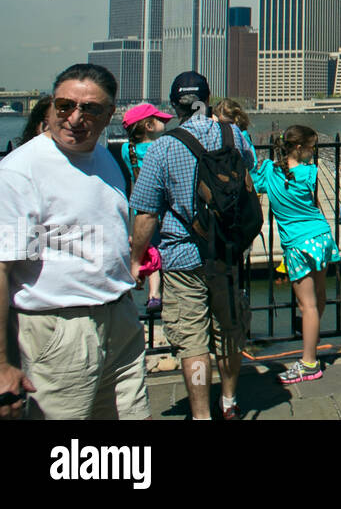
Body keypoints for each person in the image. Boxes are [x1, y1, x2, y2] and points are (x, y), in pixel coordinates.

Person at [0, 64, 149, 420]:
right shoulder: (24, 170)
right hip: (61, 329)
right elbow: (5, 268)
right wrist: (3, 362)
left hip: (120, 319)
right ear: (51, 105)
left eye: (90, 109)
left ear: (109, 114)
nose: (74, 118)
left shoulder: (105, 158)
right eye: (65, 105)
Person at [129, 71, 257, 419]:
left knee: (193, 340)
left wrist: (135, 258)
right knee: (228, 329)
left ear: (174, 105)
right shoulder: (233, 135)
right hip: (226, 253)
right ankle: (229, 403)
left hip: (182, 254)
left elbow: (146, 215)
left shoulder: (163, 148)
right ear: (209, 98)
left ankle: (201, 414)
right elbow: (248, 171)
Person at [251, 125, 340, 384]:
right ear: (299, 148)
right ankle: (313, 342)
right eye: (311, 147)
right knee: (319, 296)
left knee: (306, 306)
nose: (313, 153)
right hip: (321, 236)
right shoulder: (309, 173)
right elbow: (316, 203)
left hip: (298, 244)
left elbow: (252, 180)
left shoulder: (269, 171)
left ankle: (309, 363)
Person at [121, 102, 174, 313]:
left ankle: (142, 289)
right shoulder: (162, 148)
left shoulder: (127, 149)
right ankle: (157, 294)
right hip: (162, 210)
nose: (164, 122)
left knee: (147, 250)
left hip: (139, 211)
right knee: (162, 252)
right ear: (149, 126)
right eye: (159, 120)